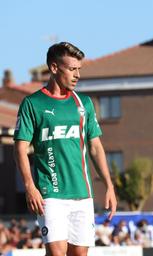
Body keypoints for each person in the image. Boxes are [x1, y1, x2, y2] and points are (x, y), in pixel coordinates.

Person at [14, 42, 117, 256]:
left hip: (82, 193)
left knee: (79, 254)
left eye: (79, 69)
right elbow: (20, 148)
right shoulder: (33, 104)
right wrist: (29, 186)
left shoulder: (84, 104)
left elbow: (95, 146)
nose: (77, 74)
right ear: (54, 68)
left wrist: (109, 184)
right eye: (72, 69)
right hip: (50, 193)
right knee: (57, 253)